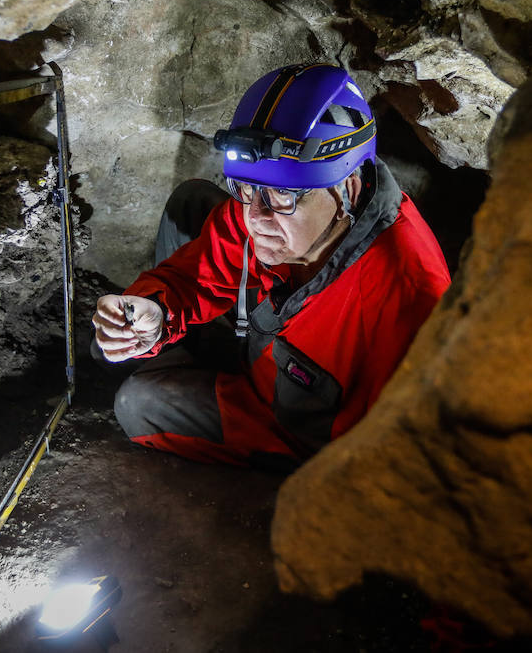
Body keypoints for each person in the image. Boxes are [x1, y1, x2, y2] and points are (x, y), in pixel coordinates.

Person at [92, 62, 451, 470]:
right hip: (262, 346)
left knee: (137, 403)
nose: (257, 215)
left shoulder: (406, 297)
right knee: (190, 204)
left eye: (282, 192)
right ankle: (160, 348)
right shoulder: (269, 211)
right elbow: (201, 270)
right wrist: (157, 312)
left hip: (289, 422)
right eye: (246, 188)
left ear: (347, 187)